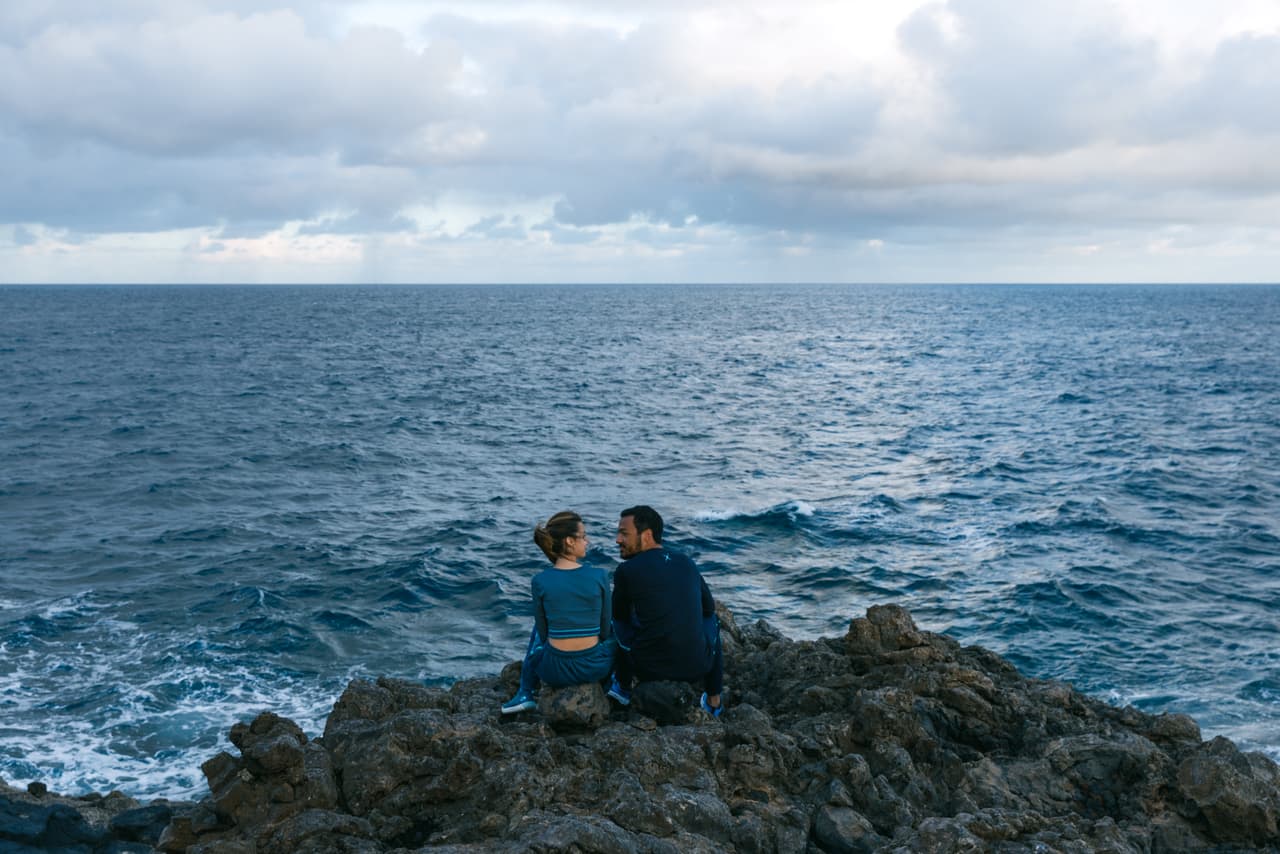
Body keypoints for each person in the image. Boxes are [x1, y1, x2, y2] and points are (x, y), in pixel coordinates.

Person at [608, 505, 724, 717]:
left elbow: (619, 618)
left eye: (624, 533)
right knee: (714, 620)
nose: (618, 540)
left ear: (647, 535)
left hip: (649, 671)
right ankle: (714, 699)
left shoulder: (626, 570)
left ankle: (623, 687)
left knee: (615, 622)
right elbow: (708, 608)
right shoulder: (686, 562)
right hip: (697, 667)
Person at [502, 511, 615, 714]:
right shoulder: (600, 575)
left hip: (554, 671)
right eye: (583, 536)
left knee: (539, 628)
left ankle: (525, 692)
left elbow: (544, 634)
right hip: (594, 668)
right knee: (616, 632)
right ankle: (616, 690)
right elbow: (605, 630)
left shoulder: (540, 580)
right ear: (570, 541)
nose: (587, 541)